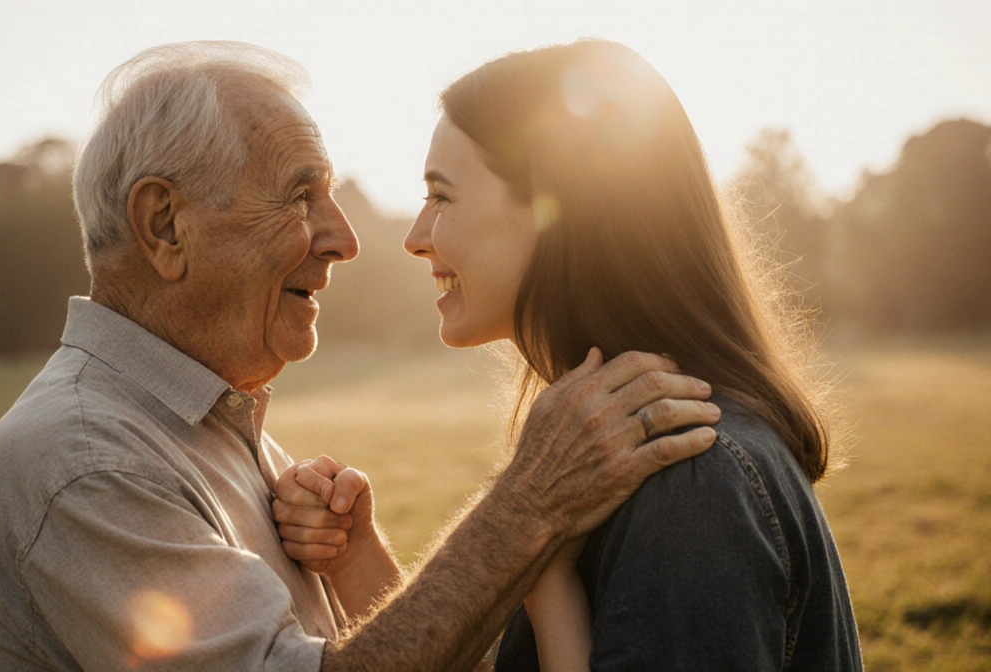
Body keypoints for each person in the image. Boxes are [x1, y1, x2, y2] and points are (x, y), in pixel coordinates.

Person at [0, 41, 723, 671]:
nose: (346, 240)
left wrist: (358, 563)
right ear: (165, 227)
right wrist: (527, 509)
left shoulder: (206, 427)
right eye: (300, 197)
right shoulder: (84, 461)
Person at [274, 39, 863, 671]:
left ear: (558, 215)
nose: (416, 239)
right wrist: (359, 557)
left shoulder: (691, 481)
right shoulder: (610, 458)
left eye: (442, 196)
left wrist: (538, 543)